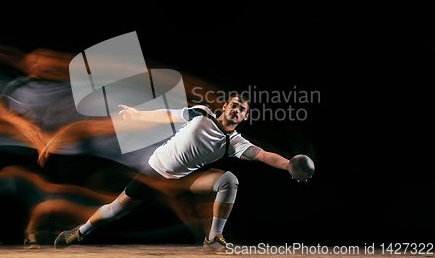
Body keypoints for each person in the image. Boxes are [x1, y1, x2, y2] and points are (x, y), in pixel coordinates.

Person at [54, 93, 310, 253]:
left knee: (229, 180)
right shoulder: (201, 114)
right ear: (225, 106)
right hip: (153, 173)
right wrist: (137, 114)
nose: (236, 111)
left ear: (245, 116)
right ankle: (80, 232)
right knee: (112, 211)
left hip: (183, 181)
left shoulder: (235, 143)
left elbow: (265, 155)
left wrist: (289, 166)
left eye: (241, 109)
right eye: (234, 105)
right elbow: (167, 115)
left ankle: (213, 238)